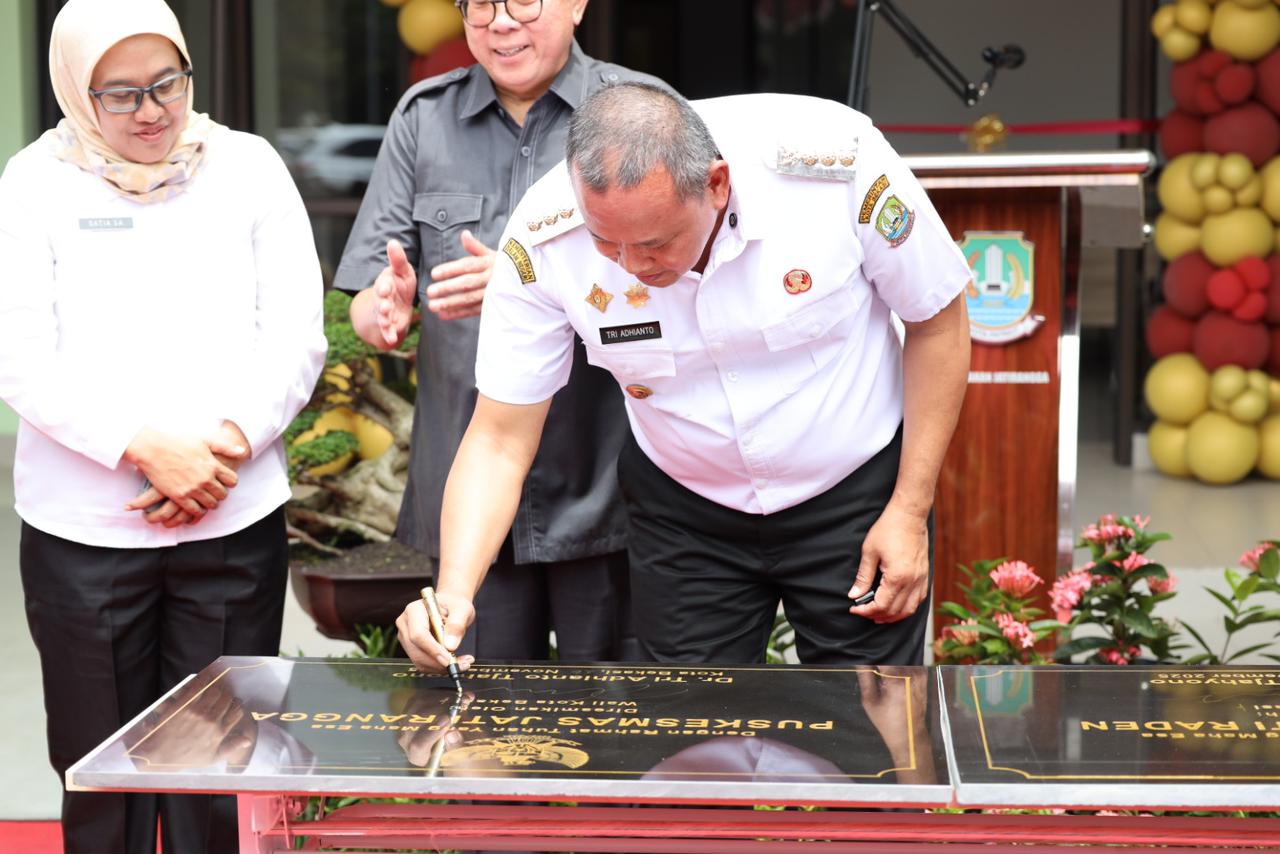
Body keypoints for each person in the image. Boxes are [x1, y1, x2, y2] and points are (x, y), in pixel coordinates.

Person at [396, 83, 973, 670]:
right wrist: (453, 594)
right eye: (606, 244)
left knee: (868, 728)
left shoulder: (836, 171)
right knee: (694, 734)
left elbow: (937, 321)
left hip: (853, 490)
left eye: (654, 243)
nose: (633, 269)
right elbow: (499, 437)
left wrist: (907, 511)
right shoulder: (544, 240)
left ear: (717, 185)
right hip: (686, 510)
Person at [0, 1, 326, 851]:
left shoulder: (250, 167)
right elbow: (21, 358)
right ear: (75, 90)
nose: (151, 112)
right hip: (85, 539)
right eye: (120, 94)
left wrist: (217, 453)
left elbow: (296, 333)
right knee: (101, 768)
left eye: (167, 83)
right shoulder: (34, 184)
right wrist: (147, 448)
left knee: (219, 775)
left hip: (233, 521)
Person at [337, 0, 666, 664]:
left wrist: (532, 288)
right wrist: (383, 308)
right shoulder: (423, 119)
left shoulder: (641, 114)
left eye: (523, 1)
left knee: (615, 732)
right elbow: (368, 295)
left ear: (576, 4)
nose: (501, 22)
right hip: (469, 488)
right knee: (478, 730)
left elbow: (683, 286)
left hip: (607, 487)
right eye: (480, 4)